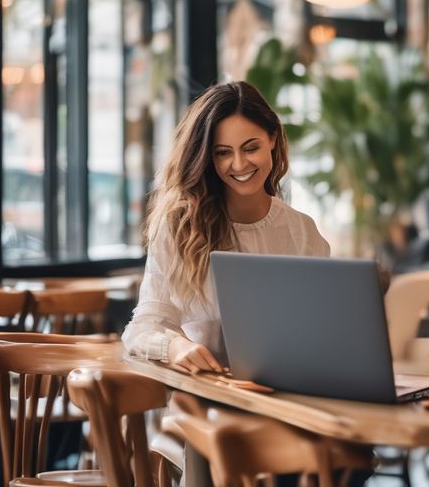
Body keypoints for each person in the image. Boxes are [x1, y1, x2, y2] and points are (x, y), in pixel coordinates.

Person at [122, 81, 330, 374]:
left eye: (251, 148)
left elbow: (321, 328)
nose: (239, 164)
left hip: (286, 391)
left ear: (272, 138)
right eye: (223, 153)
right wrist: (174, 347)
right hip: (204, 397)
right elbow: (140, 329)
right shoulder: (180, 227)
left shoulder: (302, 232)